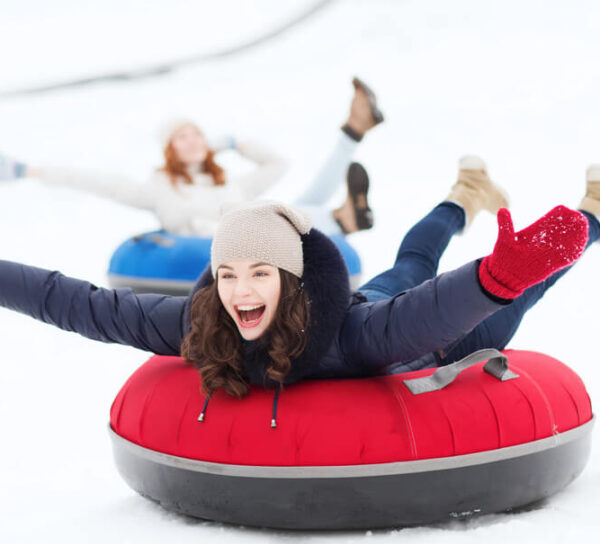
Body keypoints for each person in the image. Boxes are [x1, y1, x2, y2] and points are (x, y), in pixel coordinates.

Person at [0, 157, 597, 427]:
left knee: (469, 277)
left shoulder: (351, 335)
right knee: (410, 261)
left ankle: (592, 212)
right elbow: (82, 303)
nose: (240, 290)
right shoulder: (203, 322)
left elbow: (422, 320)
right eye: (228, 274)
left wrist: (494, 280)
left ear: (289, 280)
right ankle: (467, 190)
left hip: (445, 339)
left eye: (260, 273)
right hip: (380, 304)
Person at [0, 78, 382, 238]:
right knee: (298, 210)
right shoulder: (160, 187)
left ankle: (354, 129)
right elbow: (99, 182)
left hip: (265, 223)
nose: (194, 139)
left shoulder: (227, 181)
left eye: (197, 132)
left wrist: (232, 143)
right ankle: (341, 218)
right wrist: (29, 170)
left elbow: (278, 165)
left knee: (306, 201)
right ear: (171, 149)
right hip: (237, 241)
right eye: (183, 136)